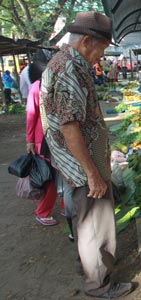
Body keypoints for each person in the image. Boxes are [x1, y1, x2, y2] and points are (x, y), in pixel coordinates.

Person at [39, 11, 132, 298]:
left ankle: (89, 267)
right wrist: (93, 174)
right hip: (83, 166)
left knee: (85, 221)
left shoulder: (63, 62)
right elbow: (69, 127)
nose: (102, 56)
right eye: (102, 48)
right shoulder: (70, 70)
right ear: (88, 41)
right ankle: (99, 283)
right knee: (96, 223)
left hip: (76, 163)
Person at [26, 50, 59, 226]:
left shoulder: (57, 83)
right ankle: (42, 211)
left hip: (60, 137)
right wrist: (30, 140)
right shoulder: (36, 87)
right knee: (49, 176)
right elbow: (31, 116)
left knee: (63, 174)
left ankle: (65, 205)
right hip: (43, 140)